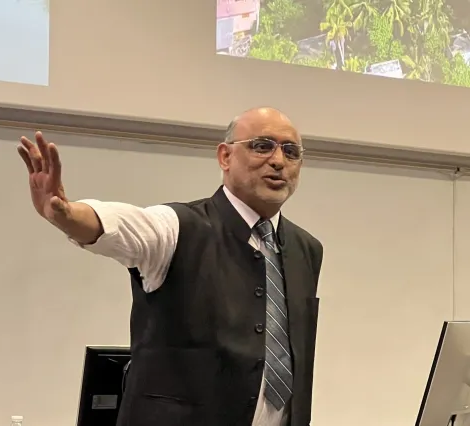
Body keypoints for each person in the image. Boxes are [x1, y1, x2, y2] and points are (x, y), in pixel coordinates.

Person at [17, 107, 323, 426]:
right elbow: (122, 224)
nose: (278, 161)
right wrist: (66, 215)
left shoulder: (306, 249)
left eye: (291, 151)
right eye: (262, 146)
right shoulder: (178, 227)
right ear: (225, 157)